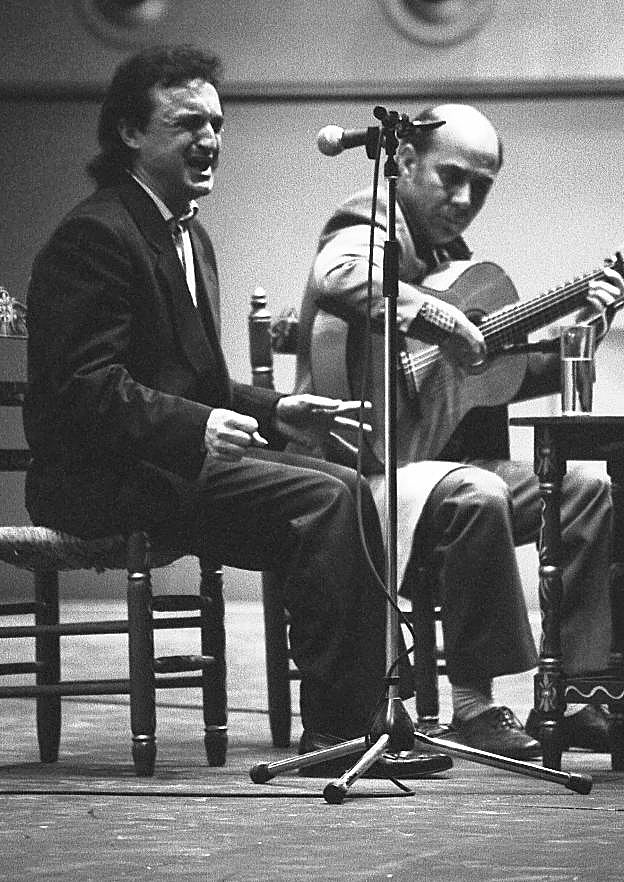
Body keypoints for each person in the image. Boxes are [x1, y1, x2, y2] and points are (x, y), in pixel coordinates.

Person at [22, 45, 454, 779]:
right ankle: (339, 731)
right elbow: (83, 388)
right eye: (188, 123)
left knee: (346, 485)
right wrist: (194, 425)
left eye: (217, 124)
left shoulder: (187, 233)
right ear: (130, 132)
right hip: (102, 478)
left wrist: (281, 410)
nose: (210, 139)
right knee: (324, 500)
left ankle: (366, 720)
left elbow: (195, 378)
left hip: (163, 465)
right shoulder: (95, 234)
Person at [295, 103, 623, 758]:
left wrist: (578, 335)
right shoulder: (368, 218)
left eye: (482, 185)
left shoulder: (452, 260)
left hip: (432, 461)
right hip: (359, 463)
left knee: (585, 493)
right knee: (480, 493)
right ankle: (474, 707)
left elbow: (490, 379)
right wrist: (444, 323)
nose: (466, 198)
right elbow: (338, 274)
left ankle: (576, 695)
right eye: (452, 177)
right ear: (406, 159)